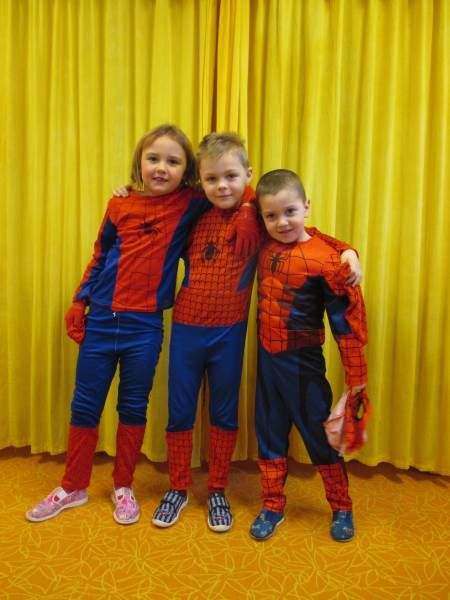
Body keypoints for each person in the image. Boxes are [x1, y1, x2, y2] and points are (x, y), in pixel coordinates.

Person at [26, 124, 259, 525]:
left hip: (146, 326)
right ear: (139, 162)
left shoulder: (192, 202)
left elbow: (241, 186)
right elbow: (100, 254)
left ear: (186, 173)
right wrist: (80, 299)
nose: (161, 168)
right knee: (85, 404)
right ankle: (73, 485)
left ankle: (123, 486)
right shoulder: (119, 204)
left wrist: (251, 207)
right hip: (102, 319)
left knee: (133, 406)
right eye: (153, 159)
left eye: (173, 161)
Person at [148, 135, 363, 533]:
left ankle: (217, 489)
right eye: (212, 179)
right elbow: (159, 200)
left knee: (224, 413)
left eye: (231, 177)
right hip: (186, 331)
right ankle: (178, 487)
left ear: (246, 175)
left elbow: (306, 234)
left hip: (230, 335)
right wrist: (129, 190)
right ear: (200, 180)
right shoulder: (194, 209)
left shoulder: (265, 223)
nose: (222, 186)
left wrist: (348, 250)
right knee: (180, 412)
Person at [250, 169, 368, 542]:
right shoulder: (263, 244)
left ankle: (342, 507)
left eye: (290, 212)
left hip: (304, 368)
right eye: (271, 215)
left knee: (320, 438)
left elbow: (345, 325)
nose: (282, 222)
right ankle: (272, 504)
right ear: (262, 218)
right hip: (268, 365)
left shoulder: (327, 260)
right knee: (269, 434)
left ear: (306, 206)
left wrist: (356, 378)